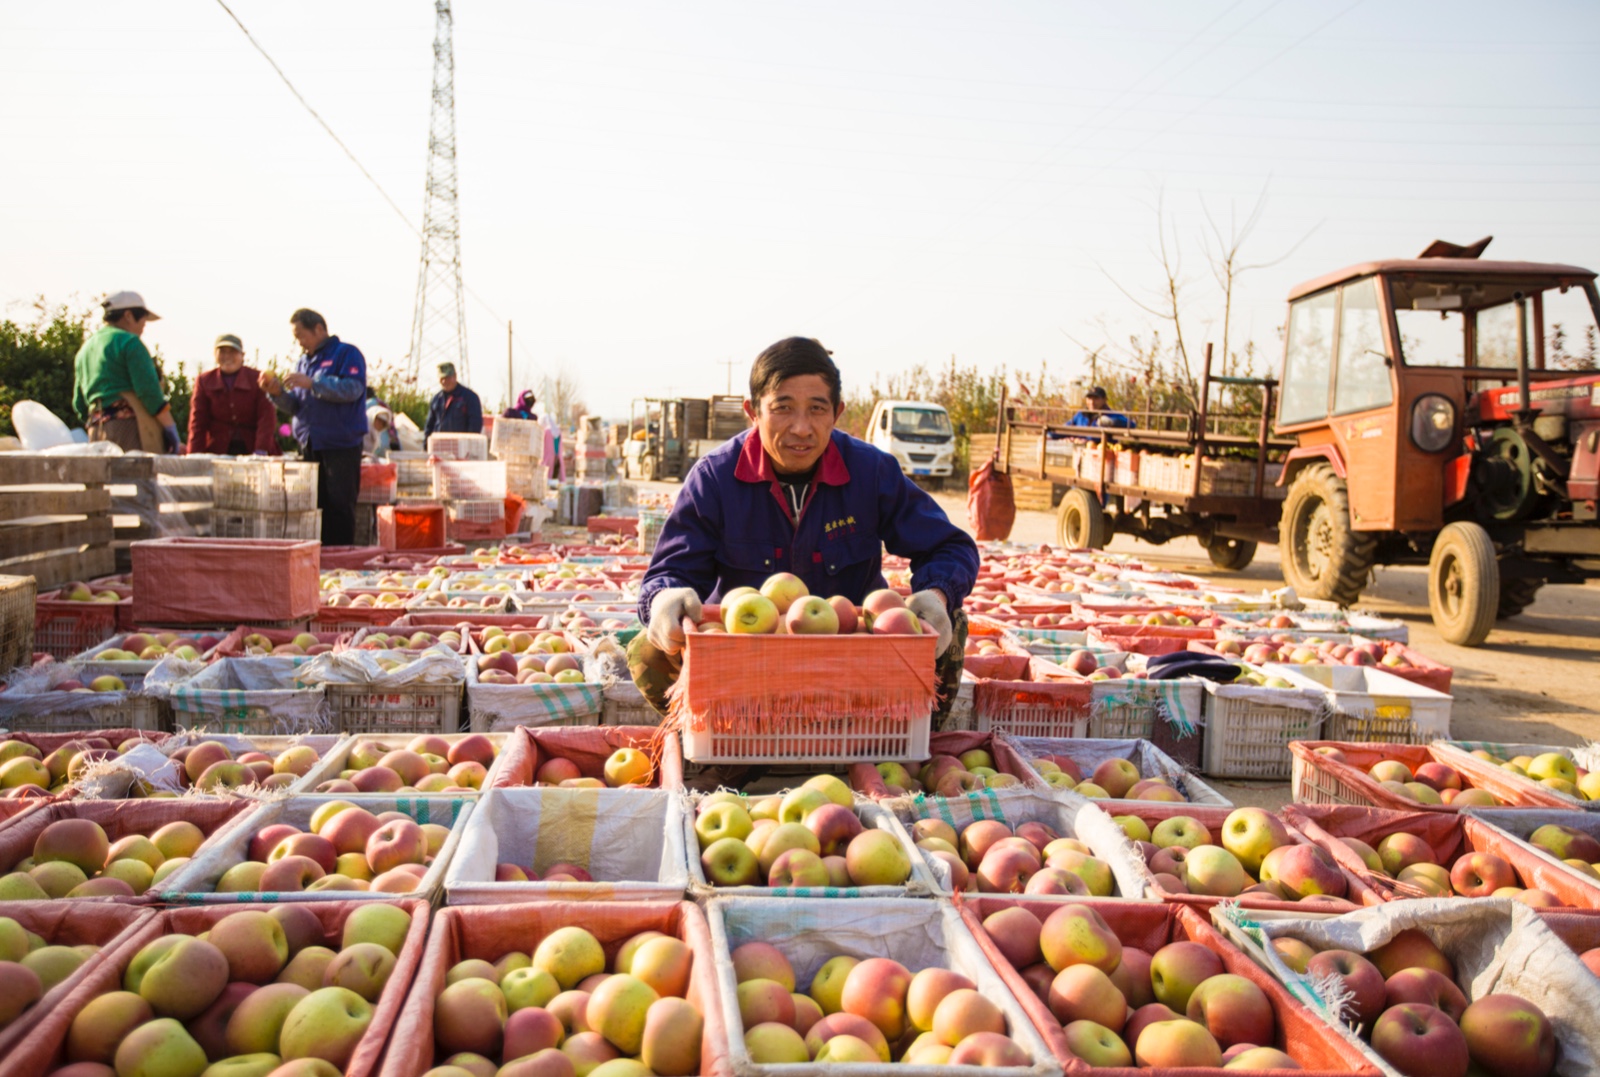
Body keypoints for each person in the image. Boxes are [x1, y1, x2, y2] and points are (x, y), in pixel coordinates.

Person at [629, 336, 980, 721]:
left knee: (950, 621)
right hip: (744, 664)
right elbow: (670, 570)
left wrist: (936, 594)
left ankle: (886, 742)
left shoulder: (870, 472)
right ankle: (733, 749)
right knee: (649, 651)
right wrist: (664, 600)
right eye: (782, 408)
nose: (801, 427)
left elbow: (949, 546)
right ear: (753, 411)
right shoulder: (715, 479)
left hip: (857, 662)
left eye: (817, 409)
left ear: (837, 413)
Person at [263, 309, 368, 546]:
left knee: (339, 505)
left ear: (319, 329)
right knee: (316, 505)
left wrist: (314, 383)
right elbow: (298, 406)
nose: (299, 341)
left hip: (341, 443)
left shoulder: (346, 354)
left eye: (302, 335)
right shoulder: (304, 362)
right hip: (311, 443)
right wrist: (277, 394)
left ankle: (341, 558)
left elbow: (353, 389)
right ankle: (321, 560)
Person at [72, 291, 181, 453]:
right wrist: (170, 427)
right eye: (143, 318)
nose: (144, 324)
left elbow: (79, 404)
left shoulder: (85, 350)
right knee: (133, 477)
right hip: (129, 429)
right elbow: (148, 392)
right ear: (129, 315)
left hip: (95, 433)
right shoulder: (129, 342)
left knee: (104, 478)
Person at [186, 334, 278, 455]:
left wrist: (261, 449)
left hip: (253, 447)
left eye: (233, 352)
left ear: (242, 356)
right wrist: (194, 454)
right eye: (222, 352)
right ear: (215, 355)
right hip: (218, 449)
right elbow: (198, 421)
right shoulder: (204, 380)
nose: (227, 357)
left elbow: (266, 417)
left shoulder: (258, 378)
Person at [423, 362, 483, 443]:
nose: (444, 381)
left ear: (455, 376)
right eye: (441, 378)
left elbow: (475, 426)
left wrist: (468, 445)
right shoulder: (436, 399)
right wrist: (426, 446)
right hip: (439, 447)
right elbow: (429, 426)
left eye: (447, 378)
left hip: (462, 448)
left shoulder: (469, 397)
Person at [503, 390, 557, 474]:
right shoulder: (510, 413)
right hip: (510, 453)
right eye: (527, 399)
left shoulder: (533, 417)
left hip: (526, 456)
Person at [1066, 385, 1134, 430]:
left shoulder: (1111, 415)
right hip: (1080, 449)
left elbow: (1131, 424)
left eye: (1096, 399)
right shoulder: (1080, 415)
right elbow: (1065, 428)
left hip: (1103, 449)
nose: (1092, 402)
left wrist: (1113, 422)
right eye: (1089, 399)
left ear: (1104, 400)